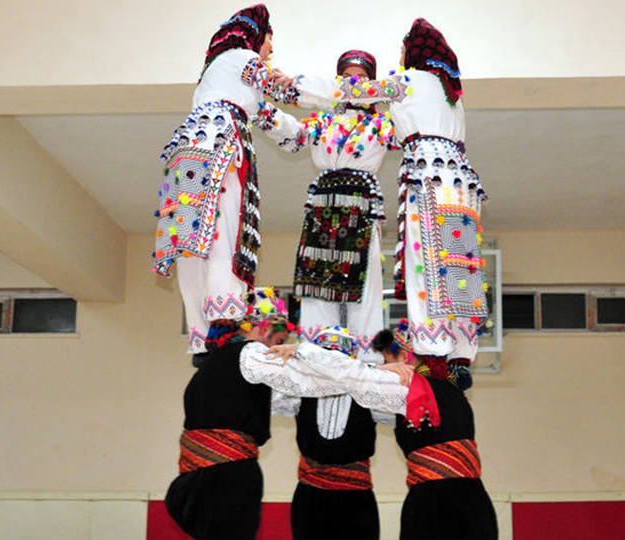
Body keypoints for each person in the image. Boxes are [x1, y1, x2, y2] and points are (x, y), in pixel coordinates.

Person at [278, 19, 488, 388]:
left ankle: (434, 353)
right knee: (459, 261)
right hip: (461, 180)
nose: (402, 57)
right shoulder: (450, 92)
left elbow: (355, 91)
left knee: (426, 261)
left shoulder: (409, 82)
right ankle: (461, 355)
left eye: (404, 49)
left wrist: (292, 85)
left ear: (415, 51)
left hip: (427, 176)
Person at [165, 288, 415, 540]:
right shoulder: (251, 355)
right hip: (225, 478)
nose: (279, 350)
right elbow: (312, 379)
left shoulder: (212, 364)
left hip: (196, 480)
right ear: (263, 329)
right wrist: (376, 373)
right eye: (279, 341)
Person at [151, 4, 301, 359]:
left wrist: (303, 135)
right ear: (254, 37)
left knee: (189, 243)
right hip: (220, 150)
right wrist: (316, 92)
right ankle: (223, 324)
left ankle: (201, 337)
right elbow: (277, 91)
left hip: (188, 155)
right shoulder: (243, 57)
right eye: (268, 41)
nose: (270, 50)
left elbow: (267, 116)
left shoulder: (216, 76)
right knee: (224, 236)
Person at [256, 50, 396, 363]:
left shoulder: (385, 123)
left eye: (360, 76)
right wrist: (262, 110)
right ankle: (316, 351)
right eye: (346, 76)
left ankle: (368, 357)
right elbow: (293, 139)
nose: (353, 82)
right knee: (316, 279)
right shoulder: (323, 120)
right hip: (322, 204)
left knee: (366, 279)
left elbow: (410, 131)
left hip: (361, 203)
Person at [371, 323, 498, 540]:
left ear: (404, 356)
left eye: (386, 360)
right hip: (463, 500)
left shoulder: (417, 387)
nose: (384, 367)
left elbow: (360, 381)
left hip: (437, 504)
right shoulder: (449, 387)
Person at [271, 326, 389, 540]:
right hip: (311, 495)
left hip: (356, 498)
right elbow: (273, 400)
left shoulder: (370, 393)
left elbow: (403, 404)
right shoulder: (301, 391)